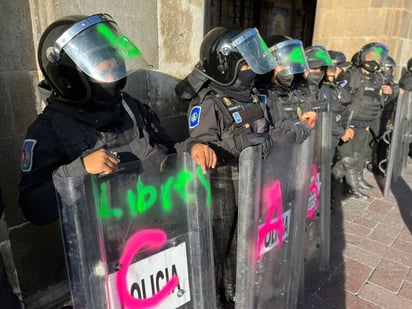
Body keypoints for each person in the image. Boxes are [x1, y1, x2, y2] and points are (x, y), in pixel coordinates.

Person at [19, 13, 217, 226]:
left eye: (113, 62)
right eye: (100, 67)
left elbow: (168, 149)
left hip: (160, 236)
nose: (112, 70)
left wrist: (192, 147)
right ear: (71, 77)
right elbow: (33, 208)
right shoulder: (48, 130)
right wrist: (79, 170)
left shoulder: (130, 107)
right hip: (103, 253)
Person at [176, 26, 274, 308]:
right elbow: (204, 145)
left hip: (251, 178)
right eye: (244, 64)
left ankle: (232, 293)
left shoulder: (253, 96)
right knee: (216, 248)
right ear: (225, 67)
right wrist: (241, 141)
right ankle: (211, 297)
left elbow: (267, 130)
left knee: (240, 244)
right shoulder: (209, 102)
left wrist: (290, 130)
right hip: (221, 185)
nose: (250, 70)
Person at [334, 42, 394, 199]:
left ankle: (354, 184)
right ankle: (332, 192)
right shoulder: (350, 75)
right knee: (347, 160)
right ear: (362, 56)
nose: (375, 60)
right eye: (371, 56)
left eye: (379, 58)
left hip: (365, 125)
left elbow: (389, 93)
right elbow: (338, 98)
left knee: (358, 156)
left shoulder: (378, 78)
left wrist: (390, 91)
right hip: (349, 125)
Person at [256, 36, 314, 144]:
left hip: (299, 154)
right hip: (275, 155)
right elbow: (264, 131)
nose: (289, 69)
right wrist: (294, 127)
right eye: (283, 65)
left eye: (291, 64)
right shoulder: (261, 95)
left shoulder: (298, 92)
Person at [322, 50, 354, 159]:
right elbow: (325, 117)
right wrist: (342, 132)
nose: (344, 72)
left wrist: (346, 128)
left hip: (333, 138)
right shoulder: (323, 90)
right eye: (341, 68)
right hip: (324, 140)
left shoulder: (334, 87)